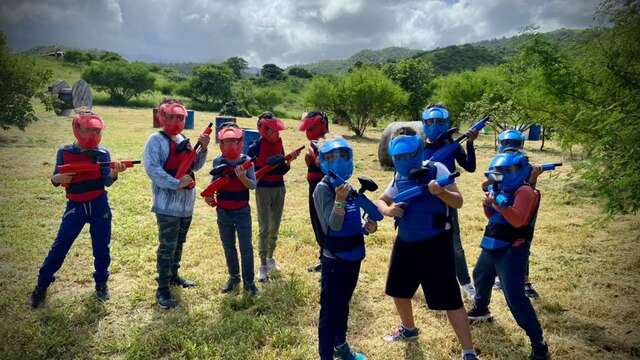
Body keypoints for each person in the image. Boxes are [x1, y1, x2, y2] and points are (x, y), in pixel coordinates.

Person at [378, 128, 478, 360]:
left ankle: (468, 351)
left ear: (418, 149)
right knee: (398, 290)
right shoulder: (397, 176)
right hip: (405, 241)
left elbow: (459, 202)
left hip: (435, 243)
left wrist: (440, 192)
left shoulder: (437, 168)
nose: (403, 160)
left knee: (450, 299)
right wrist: (389, 210)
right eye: (399, 156)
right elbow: (382, 200)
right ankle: (409, 330)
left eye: (408, 154)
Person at [30, 110, 127, 308]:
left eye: (97, 131)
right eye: (89, 130)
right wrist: (56, 179)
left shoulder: (103, 153)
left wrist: (115, 173)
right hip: (75, 205)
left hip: (99, 204)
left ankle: (101, 284)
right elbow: (56, 177)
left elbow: (106, 181)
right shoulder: (64, 152)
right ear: (77, 129)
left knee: (102, 248)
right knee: (60, 246)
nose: (93, 135)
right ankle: (41, 285)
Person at [468, 152, 550, 360]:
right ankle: (481, 309)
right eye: (497, 172)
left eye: (504, 172)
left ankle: (538, 343)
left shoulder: (526, 192)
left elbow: (517, 220)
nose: (499, 176)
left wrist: (496, 201)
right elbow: (493, 217)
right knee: (480, 275)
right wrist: (489, 204)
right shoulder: (501, 189)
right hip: (492, 242)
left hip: (513, 249)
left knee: (514, 297)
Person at [314, 136, 378, 360]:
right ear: (323, 161)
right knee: (330, 311)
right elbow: (334, 224)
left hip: (353, 256)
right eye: (331, 157)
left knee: (343, 305)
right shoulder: (323, 190)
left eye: (343, 156)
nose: (338, 161)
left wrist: (367, 227)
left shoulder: (349, 188)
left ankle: (340, 346)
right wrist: (340, 200)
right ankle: (326, 355)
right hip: (334, 260)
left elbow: (352, 222)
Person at [143, 99, 209, 309]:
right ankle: (162, 288)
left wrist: (203, 149)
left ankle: (173, 275)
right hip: (167, 206)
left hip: (185, 205)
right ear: (162, 117)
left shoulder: (183, 139)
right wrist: (176, 183)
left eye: (180, 117)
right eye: (171, 116)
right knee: (167, 246)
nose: (175, 120)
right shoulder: (155, 140)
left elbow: (194, 166)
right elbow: (153, 169)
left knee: (179, 243)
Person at [421, 104, 479, 301]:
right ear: (424, 122)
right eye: (430, 121)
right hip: (422, 201)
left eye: (439, 121)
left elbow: (470, 167)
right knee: (419, 242)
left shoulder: (452, 144)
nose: (434, 125)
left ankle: (466, 284)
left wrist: (470, 143)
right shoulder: (419, 146)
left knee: (455, 245)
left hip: (446, 198)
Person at [204, 124, 259, 295]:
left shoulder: (247, 161)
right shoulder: (217, 161)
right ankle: (234, 277)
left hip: (242, 210)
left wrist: (242, 177)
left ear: (240, 142)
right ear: (221, 143)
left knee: (246, 247)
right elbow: (214, 181)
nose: (231, 145)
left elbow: (253, 185)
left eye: (234, 141)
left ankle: (249, 283)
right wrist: (209, 194)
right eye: (226, 142)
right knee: (228, 245)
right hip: (223, 210)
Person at [247, 112, 299, 282]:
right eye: (272, 130)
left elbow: (281, 170)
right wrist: (264, 165)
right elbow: (251, 173)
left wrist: (288, 161)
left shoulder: (279, 144)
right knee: (264, 227)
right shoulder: (254, 147)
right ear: (263, 130)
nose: (276, 134)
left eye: (277, 131)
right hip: (263, 189)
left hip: (279, 187)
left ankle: (270, 258)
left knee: (275, 225)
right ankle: (262, 265)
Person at [490, 129, 541, 299]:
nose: (509, 148)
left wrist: (533, 176)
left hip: (520, 210)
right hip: (501, 209)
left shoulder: (524, 163)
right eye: (507, 144)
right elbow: (489, 184)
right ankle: (501, 277)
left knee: (522, 244)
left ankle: (524, 282)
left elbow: (529, 190)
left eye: (513, 144)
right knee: (500, 243)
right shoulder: (497, 162)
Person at [298, 111, 330, 273]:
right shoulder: (315, 143)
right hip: (314, 186)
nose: (308, 131)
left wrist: (316, 160)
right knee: (317, 222)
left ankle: (329, 260)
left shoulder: (329, 142)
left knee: (324, 222)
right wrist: (309, 160)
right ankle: (323, 258)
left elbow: (329, 167)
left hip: (324, 188)